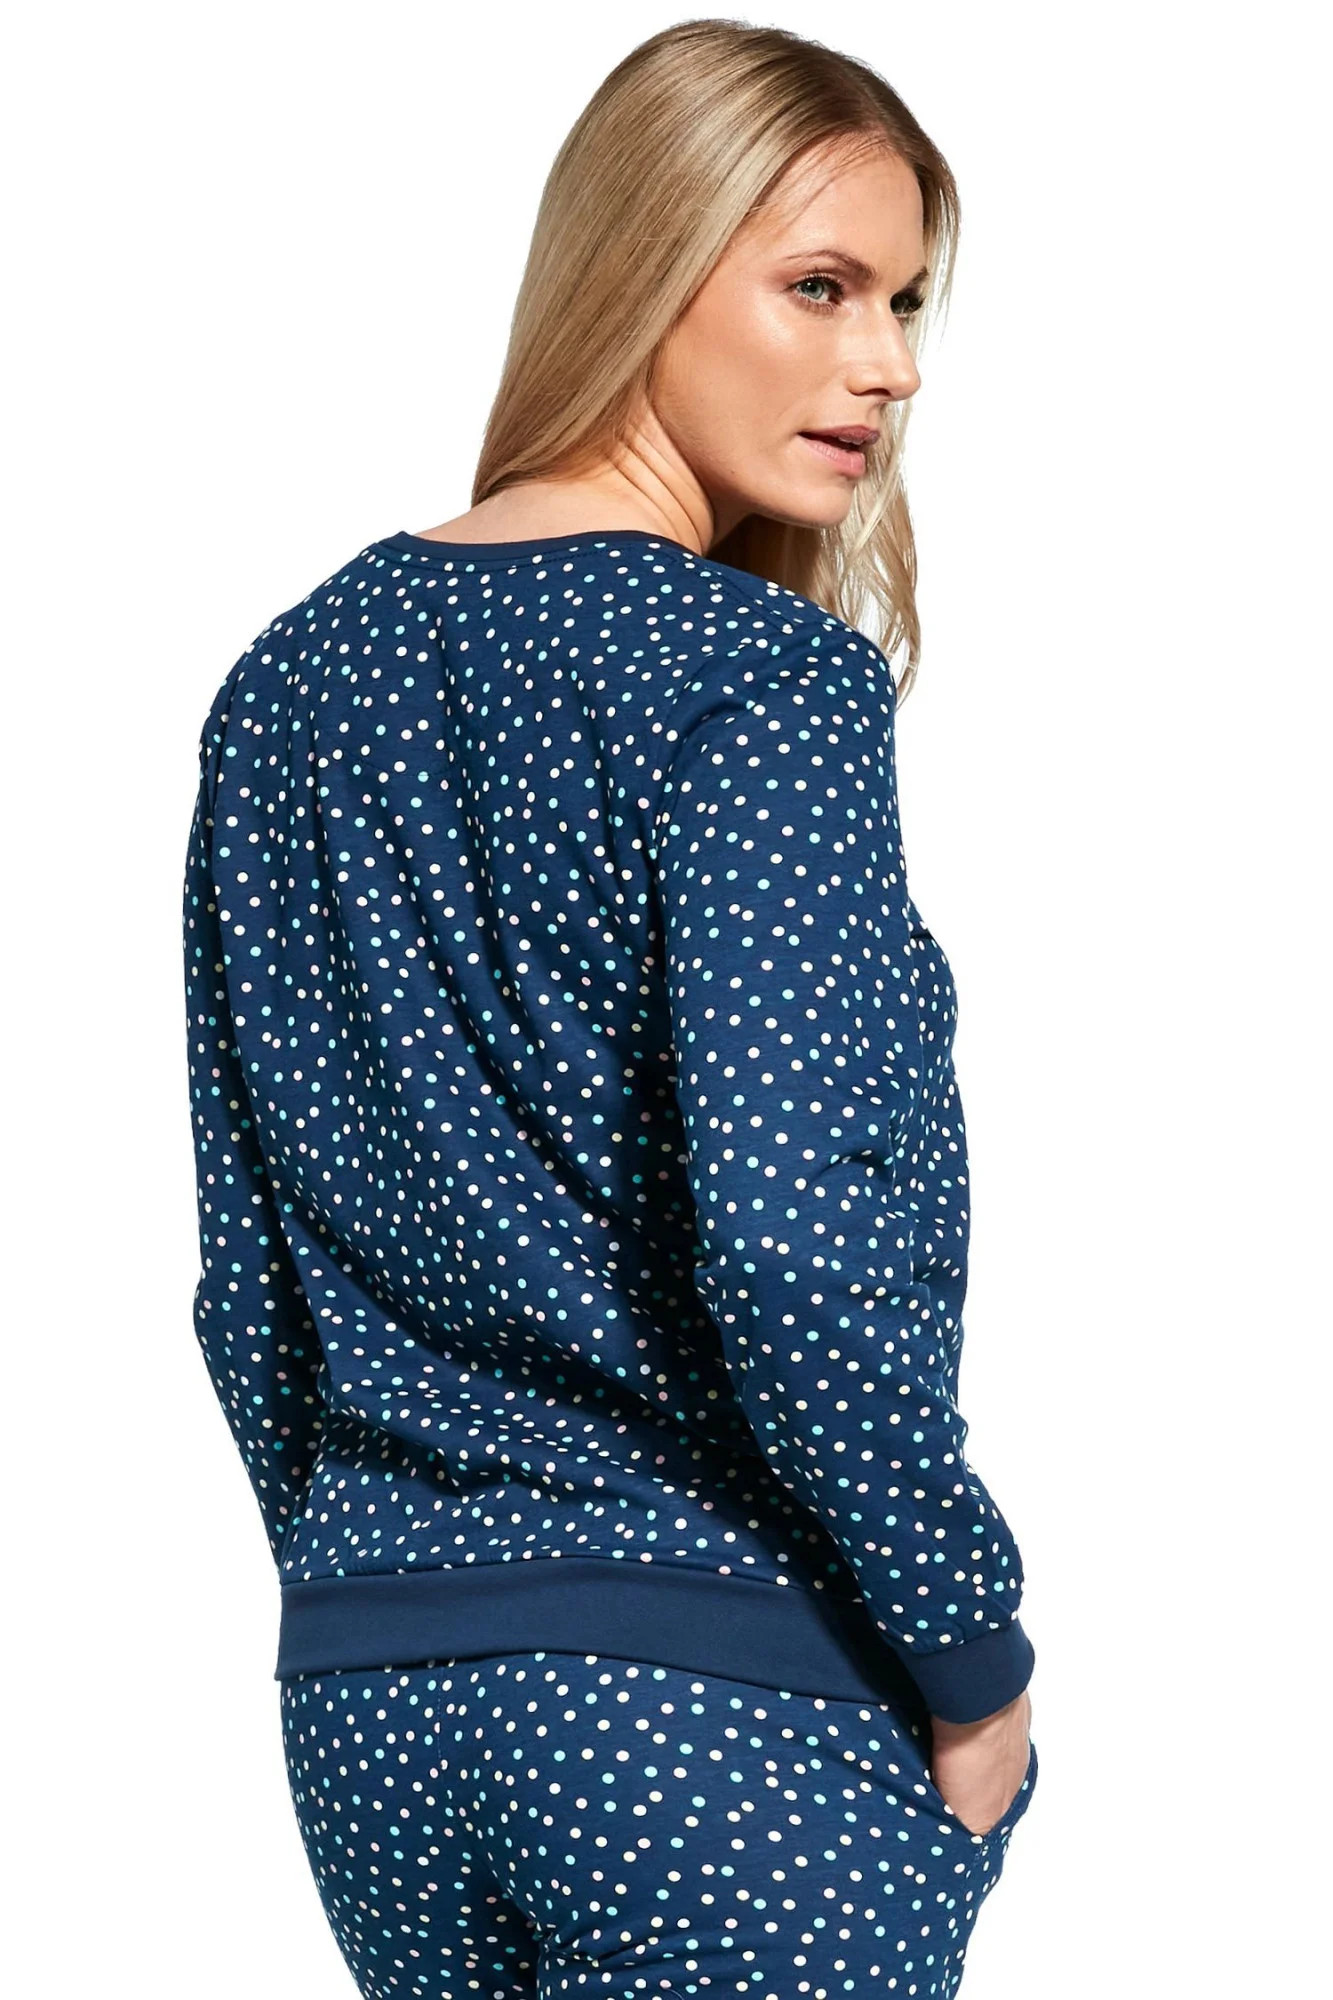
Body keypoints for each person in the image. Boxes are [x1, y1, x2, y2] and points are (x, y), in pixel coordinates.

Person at [182, 19, 1038, 1997]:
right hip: (715, 1700)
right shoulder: (756, 681)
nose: (889, 364)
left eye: (906, 301)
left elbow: (248, 1284)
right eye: (818, 286)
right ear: (643, 266)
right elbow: (795, 1246)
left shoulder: (288, 685)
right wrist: (970, 1654)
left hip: (375, 1721)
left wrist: (392, 1591)